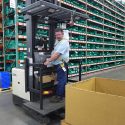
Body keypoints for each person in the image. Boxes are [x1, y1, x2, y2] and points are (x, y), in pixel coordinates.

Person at [44, 28, 69, 103]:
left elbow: (57, 54)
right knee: (60, 79)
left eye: (59, 34)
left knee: (61, 80)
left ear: (62, 34)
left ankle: (59, 96)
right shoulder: (58, 41)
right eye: (56, 35)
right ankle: (60, 93)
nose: (57, 36)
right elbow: (54, 52)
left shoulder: (64, 42)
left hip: (61, 64)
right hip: (58, 64)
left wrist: (49, 60)